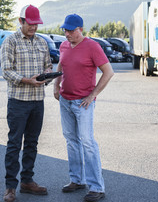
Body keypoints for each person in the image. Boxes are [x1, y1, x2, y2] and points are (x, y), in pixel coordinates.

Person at [53, 14, 114, 202]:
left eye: (71, 30)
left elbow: (108, 72)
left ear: (81, 29)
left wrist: (92, 95)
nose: (67, 34)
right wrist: (56, 85)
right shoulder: (64, 45)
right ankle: (77, 180)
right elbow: (60, 66)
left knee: (87, 142)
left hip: (83, 102)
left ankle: (97, 187)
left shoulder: (92, 47)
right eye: (65, 30)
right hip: (65, 100)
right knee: (71, 140)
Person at [0, 4, 52, 202]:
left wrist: (48, 75)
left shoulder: (41, 42)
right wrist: (27, 80)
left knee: (32, 142)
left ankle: (27, 181)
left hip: (38, 101)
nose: (34, 28)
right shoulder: (10, 41)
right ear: (21, 21)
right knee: (14, 143)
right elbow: (7, 71)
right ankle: (10, 187)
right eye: (30, 24)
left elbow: (48, 65)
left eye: (36, 24)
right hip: (18, 102)